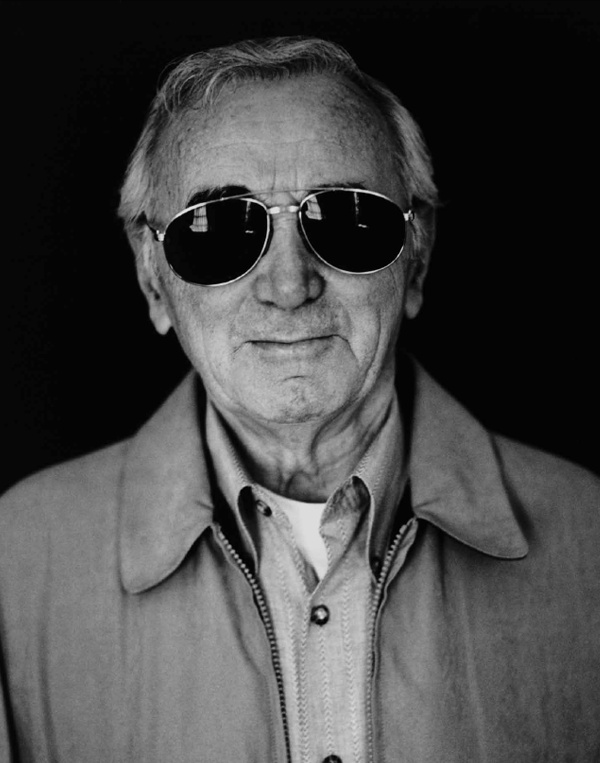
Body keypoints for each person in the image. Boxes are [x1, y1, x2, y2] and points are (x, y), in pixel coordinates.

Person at [1, 35, 599, 763]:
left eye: (348, 219)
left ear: (417, 257)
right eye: (219, 229)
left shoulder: (589, 543)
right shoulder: (16, 563)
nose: (289, 285)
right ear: (153, 277)